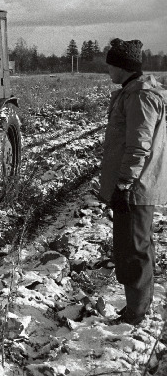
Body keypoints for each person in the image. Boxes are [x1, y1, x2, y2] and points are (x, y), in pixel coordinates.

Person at [100, 38, 166, 326]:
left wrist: (124, 184)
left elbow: (139, 146)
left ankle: (135, 314)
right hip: (136, 185)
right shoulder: (133, 92)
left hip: (135, 188)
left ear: (122, 67)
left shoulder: (139, 96)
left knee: (132, 250)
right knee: (137, 246)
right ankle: (138, 308)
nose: (108, 72)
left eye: (111, 66)